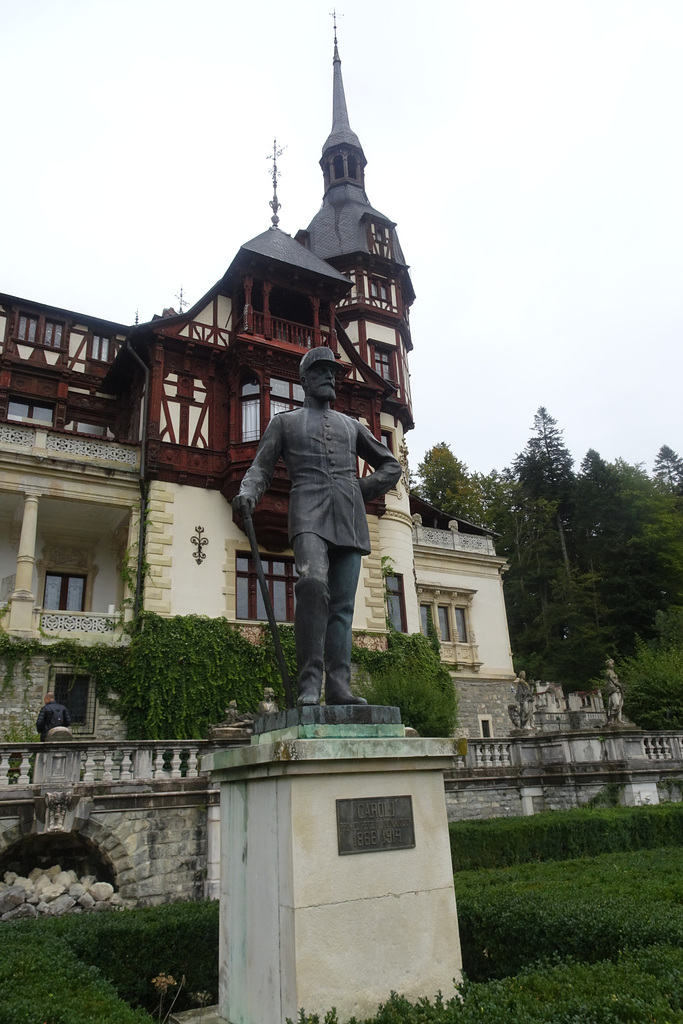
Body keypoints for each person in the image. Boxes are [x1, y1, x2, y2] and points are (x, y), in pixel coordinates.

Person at [232, 346, 402, 706]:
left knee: (342, 606)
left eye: (333, 372)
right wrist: (248, 491)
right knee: (311, 583)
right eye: (322, 372)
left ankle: (339, 686)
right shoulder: (284, 422)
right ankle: (309, 682)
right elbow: (260, 468)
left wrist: (359, 489)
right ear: (305, 379)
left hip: (350, 520)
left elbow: (391, 466)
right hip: (307, 511)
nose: (330, 377)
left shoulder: (352, 426)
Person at [604, 658, 624, 724]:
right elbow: (614, 681)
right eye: (611, 664)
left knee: (620, 704)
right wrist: (620, 685)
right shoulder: (609, 672)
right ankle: (611, 718)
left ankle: (618, 719)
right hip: (613, 690)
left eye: (612, 664)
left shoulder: (612, 672)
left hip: (617, 689)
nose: (612, 665)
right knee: (616, 704)